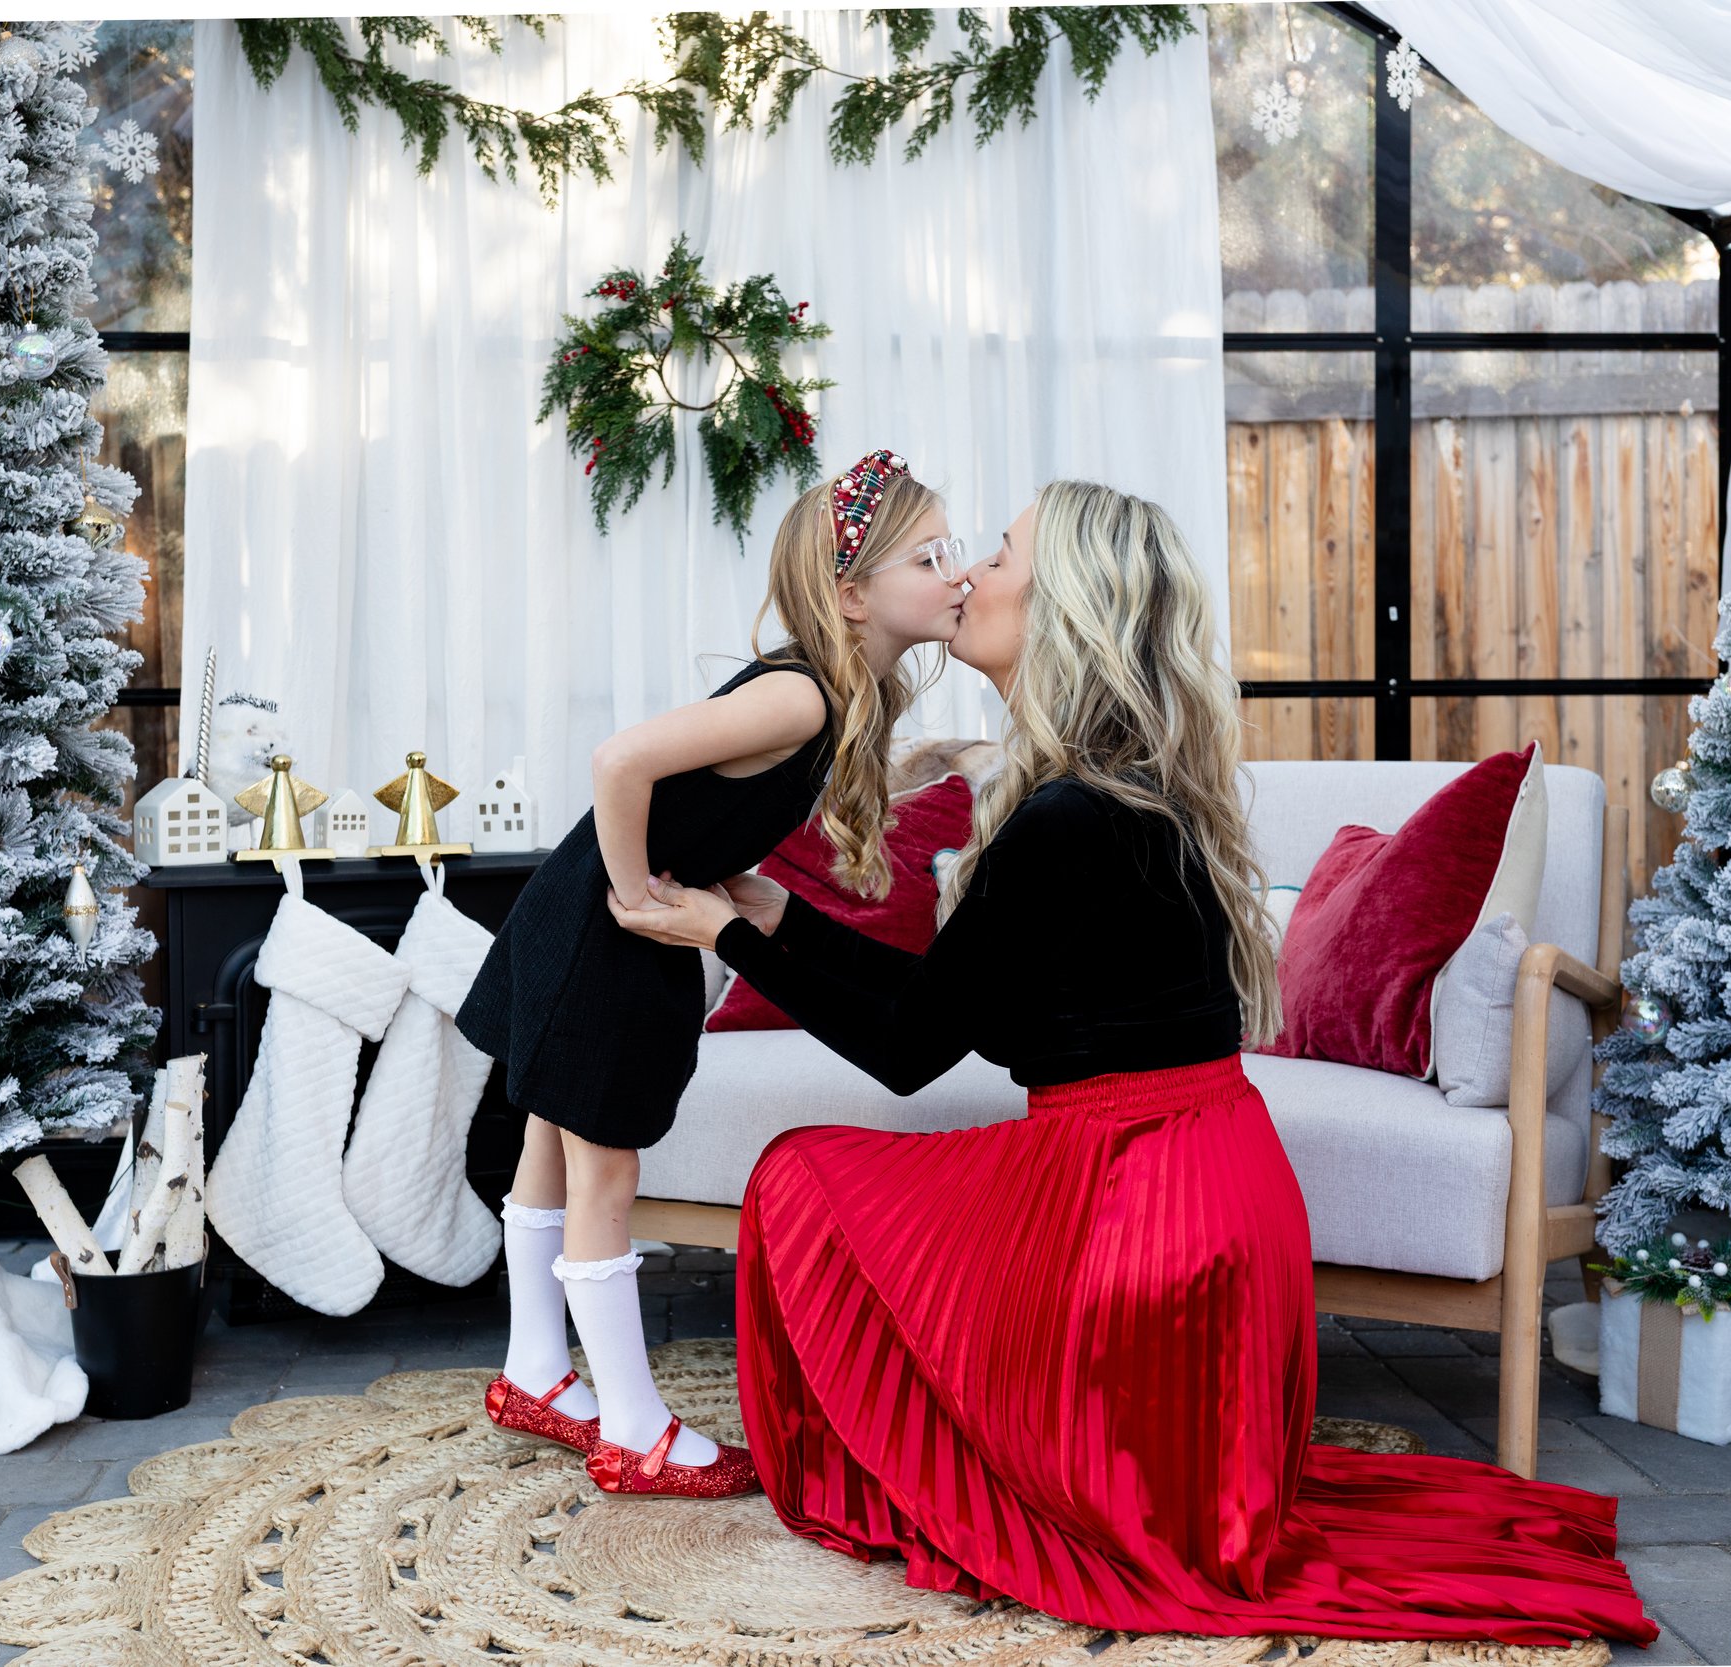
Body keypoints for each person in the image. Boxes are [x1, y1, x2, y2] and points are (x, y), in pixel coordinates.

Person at [609, 480, 1657, 1645]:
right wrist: (773, 921)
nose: (966, 574)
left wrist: (731, 934)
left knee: (802, 1177)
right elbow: (971, 1021)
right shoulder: (1115, 789)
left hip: (1139, 1215)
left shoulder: (1063, 814)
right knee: (841, 1178)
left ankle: (919, 1457)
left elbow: (910, 1048)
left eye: (997, 555)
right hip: (1205, 1192)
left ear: (1057, 603)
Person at [454, 448, 975, 1498]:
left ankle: (534, 1370)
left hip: (583, 916)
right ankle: (633, 1428)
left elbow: (693, 796)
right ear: (852, 592)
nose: (957, 573)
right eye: (930, 556)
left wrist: (710, 874)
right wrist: (640, 897)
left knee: (550, 1144)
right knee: (605, 1171)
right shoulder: (800, 698)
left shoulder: (834, 691)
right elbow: (620, 760)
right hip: (606, 926)